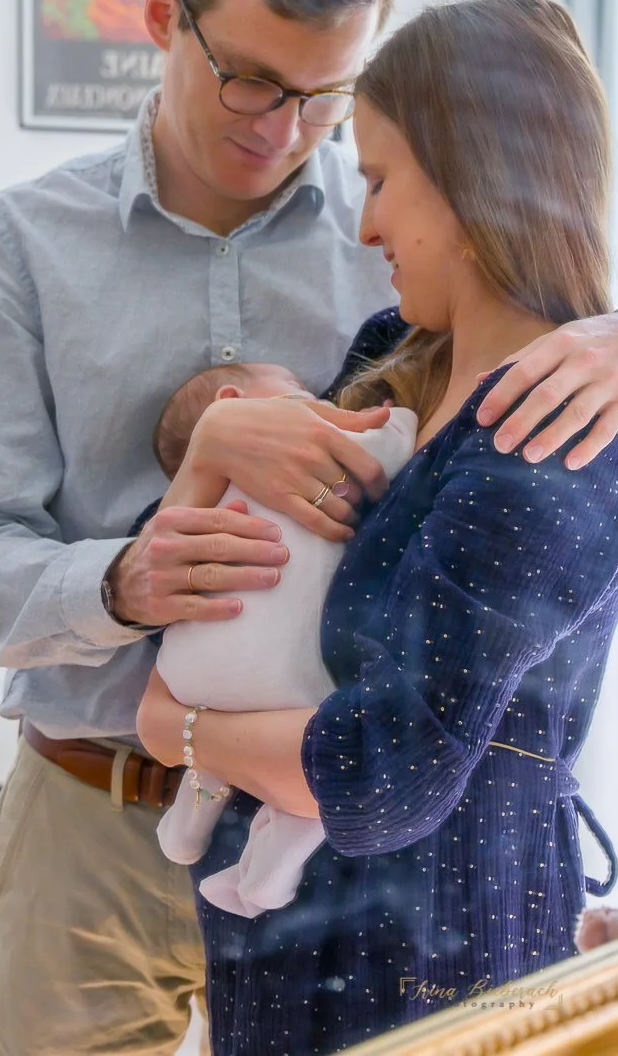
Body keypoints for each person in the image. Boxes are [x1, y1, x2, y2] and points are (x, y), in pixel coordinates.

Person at [0, 0, 618, 1055]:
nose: (286, 130)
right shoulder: (20, 248)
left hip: (334, 839)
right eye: (249, 81)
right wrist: (129, 583)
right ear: (160, 19)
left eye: (324, 94)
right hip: (91, 821)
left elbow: (592, 468)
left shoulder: (404, 229)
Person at [136, 0, 618, 1054]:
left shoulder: (547, 436)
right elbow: (268, 547)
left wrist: (177, 730)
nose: (364, 220)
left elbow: (386, 771)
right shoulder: (394, 351)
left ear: (470, 181)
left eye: (378, 180)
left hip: (430, 962)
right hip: (305, 943)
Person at [146, 362, 418, 920]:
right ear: (230, 401)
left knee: (212, 752)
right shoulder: (293, 442)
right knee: (320, 767)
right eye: (295, 388)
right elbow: (381, 452)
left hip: (188, 672)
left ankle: (183, 830)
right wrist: (402, 424)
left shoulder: (203, 491)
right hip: (281, 675)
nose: (310, 396)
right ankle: (268, 877)